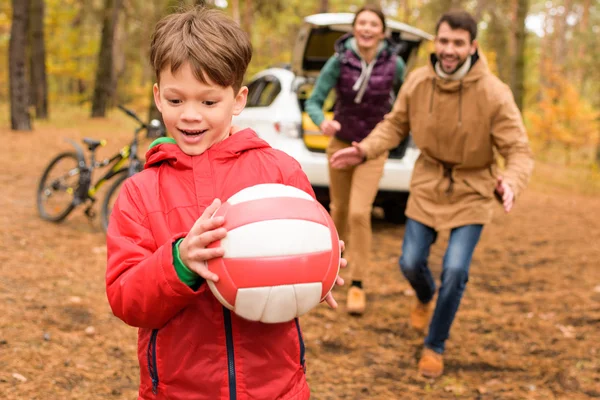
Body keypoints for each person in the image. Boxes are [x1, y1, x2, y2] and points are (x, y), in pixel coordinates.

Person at [105, 7, 346, 399]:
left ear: (238, 100)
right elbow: (125, 298)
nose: (191, 115)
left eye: (209, 102)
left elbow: (310, 243)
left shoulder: (281, 174)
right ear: (157, 97)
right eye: (176, 99)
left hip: (277, 388)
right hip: (178, 391)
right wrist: (180, 261)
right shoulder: (140, 192)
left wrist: (323, 261)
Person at [330, 10, 534, 378]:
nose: (449, 49)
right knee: (409, 263)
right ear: (435, 43)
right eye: (443, 41)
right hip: (427, 183)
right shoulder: (419, 82)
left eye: (458, 43)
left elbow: (519, 150)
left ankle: (434, 345)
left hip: (473, 187)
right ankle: (425, 296)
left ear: (472, 46)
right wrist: (364, 150)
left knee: (455, 270)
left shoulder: (494, 93)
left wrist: (511, 182)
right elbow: (394, 125)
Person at [305, 4, 406, 316]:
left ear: (382, 31)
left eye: (372, 24)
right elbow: (314, 101)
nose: (366, 29)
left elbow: (405, 102)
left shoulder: (396, 64)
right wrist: (323, 121)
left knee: (360, 213)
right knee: (339, 210)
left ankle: (359, 283)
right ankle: (331, 273)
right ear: (354, 29)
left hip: (372, 149)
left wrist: (396, 119)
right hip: (340, 144)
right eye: (361, 23)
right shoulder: (339, 61)